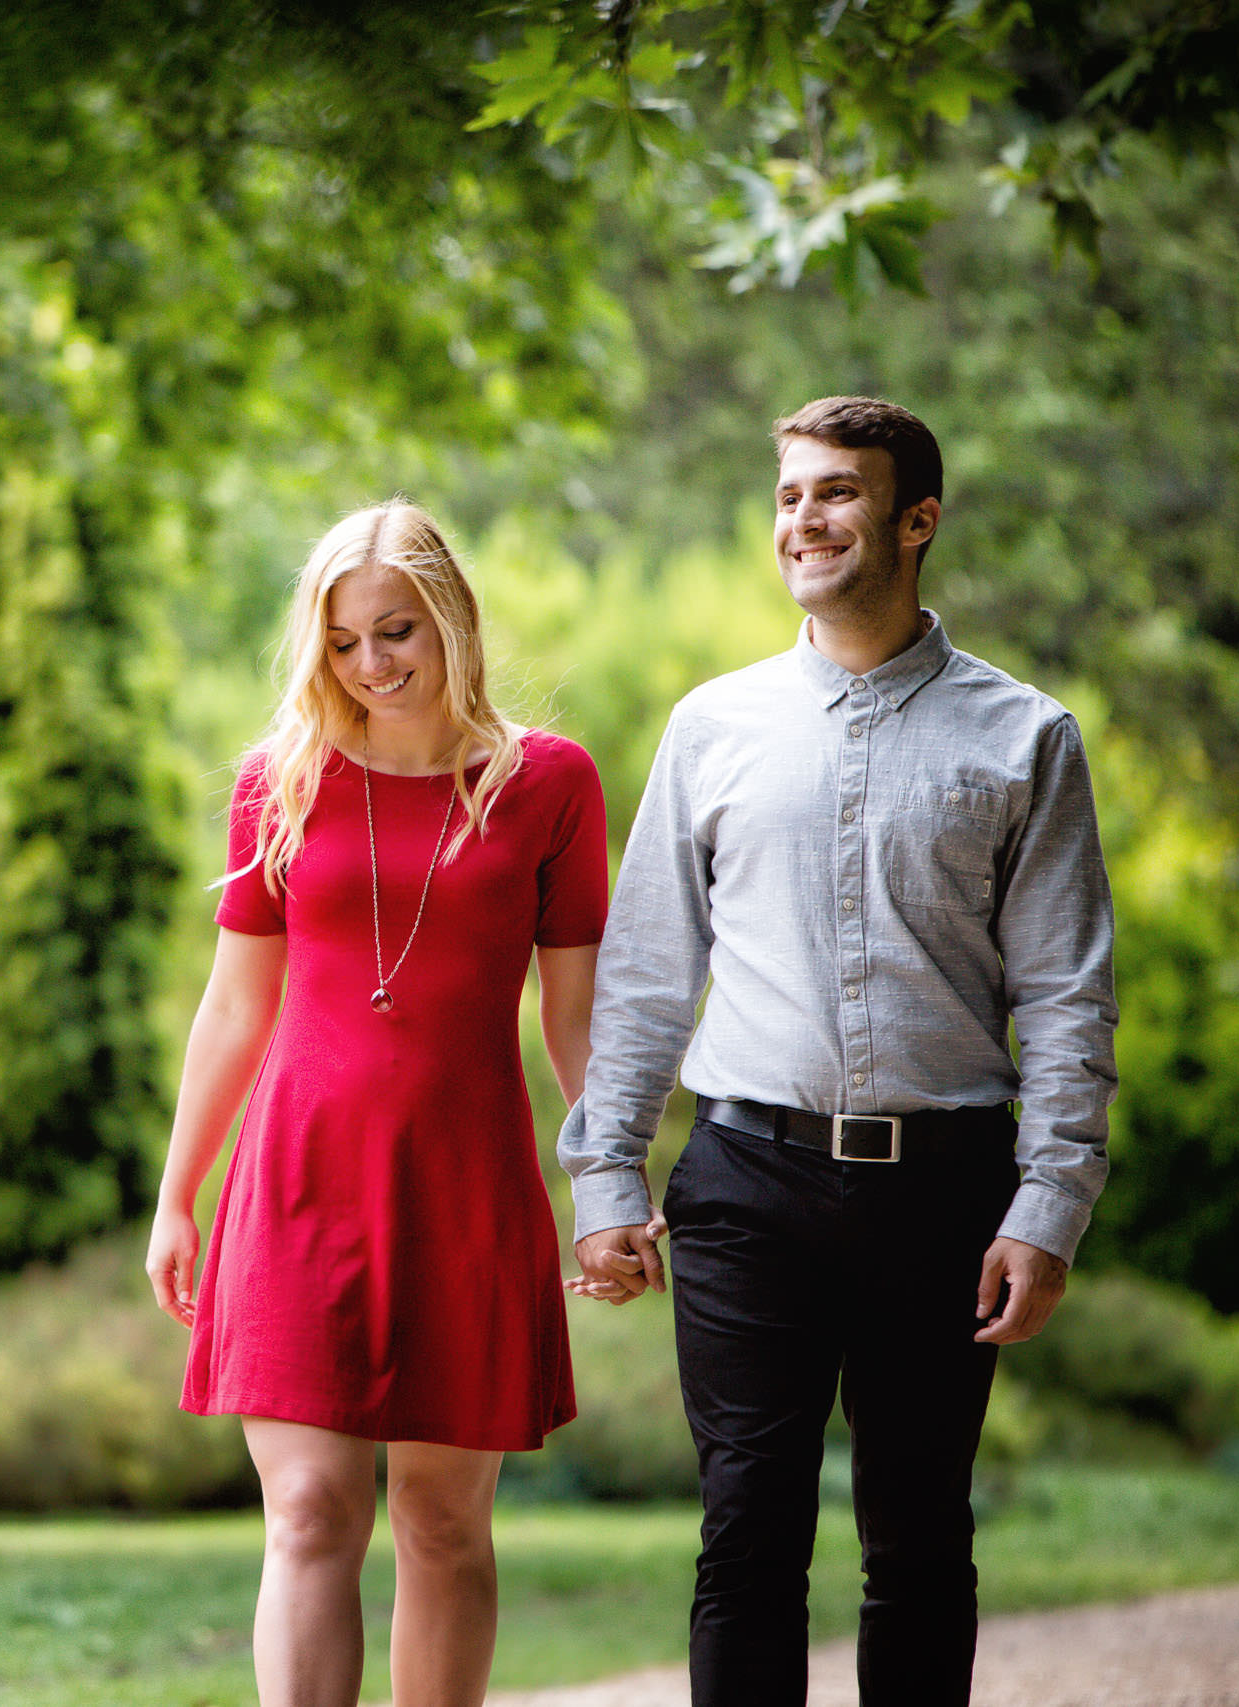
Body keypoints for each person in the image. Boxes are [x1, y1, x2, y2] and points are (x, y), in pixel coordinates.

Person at [559, 396, 1118, 1706]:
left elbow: (1070, 1001)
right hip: (748, 1177)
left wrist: (1049, 1205)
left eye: (836, 493)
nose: (802, 520)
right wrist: (605, 1178)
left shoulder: (1026, 736)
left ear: (916, 519)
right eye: (789, 494)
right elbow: (645, 978)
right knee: (747, 1528)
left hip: (945, 1188)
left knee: (920, 1539)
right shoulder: (712, 728)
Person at [146, 498, 608, 1707]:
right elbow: (234, 1009)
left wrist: (607, 1178)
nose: (371, 665)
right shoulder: (279, 783)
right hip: (296, 1182)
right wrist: (176, 1195)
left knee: (442, 1523)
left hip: (465, 1183)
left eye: (396, 631)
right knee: (306, 1511)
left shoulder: (547, 785)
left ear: (450, 618)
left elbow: (574, 1013)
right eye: (344, 642)